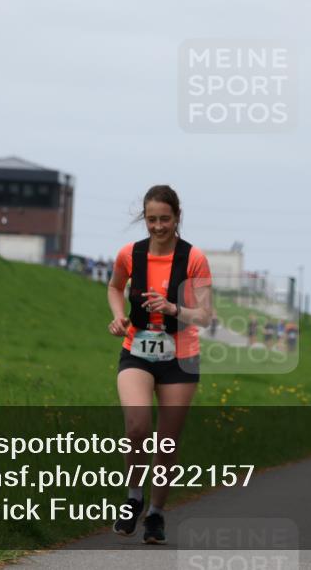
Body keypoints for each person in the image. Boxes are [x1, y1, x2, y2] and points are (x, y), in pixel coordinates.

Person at [107, 185, 212, 544]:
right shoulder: (130, 254)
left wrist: (173, 308)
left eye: (164, 219)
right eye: (151, 219)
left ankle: (156, 514)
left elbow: (206, 315)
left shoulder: (193, 258)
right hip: (136, 350)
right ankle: (133, 498)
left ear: (177, 217)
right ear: (144, 218)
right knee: (137, 427)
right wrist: (118, 316)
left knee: (167, 441)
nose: (158, 226)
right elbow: (114, 287)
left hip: (180, 356)